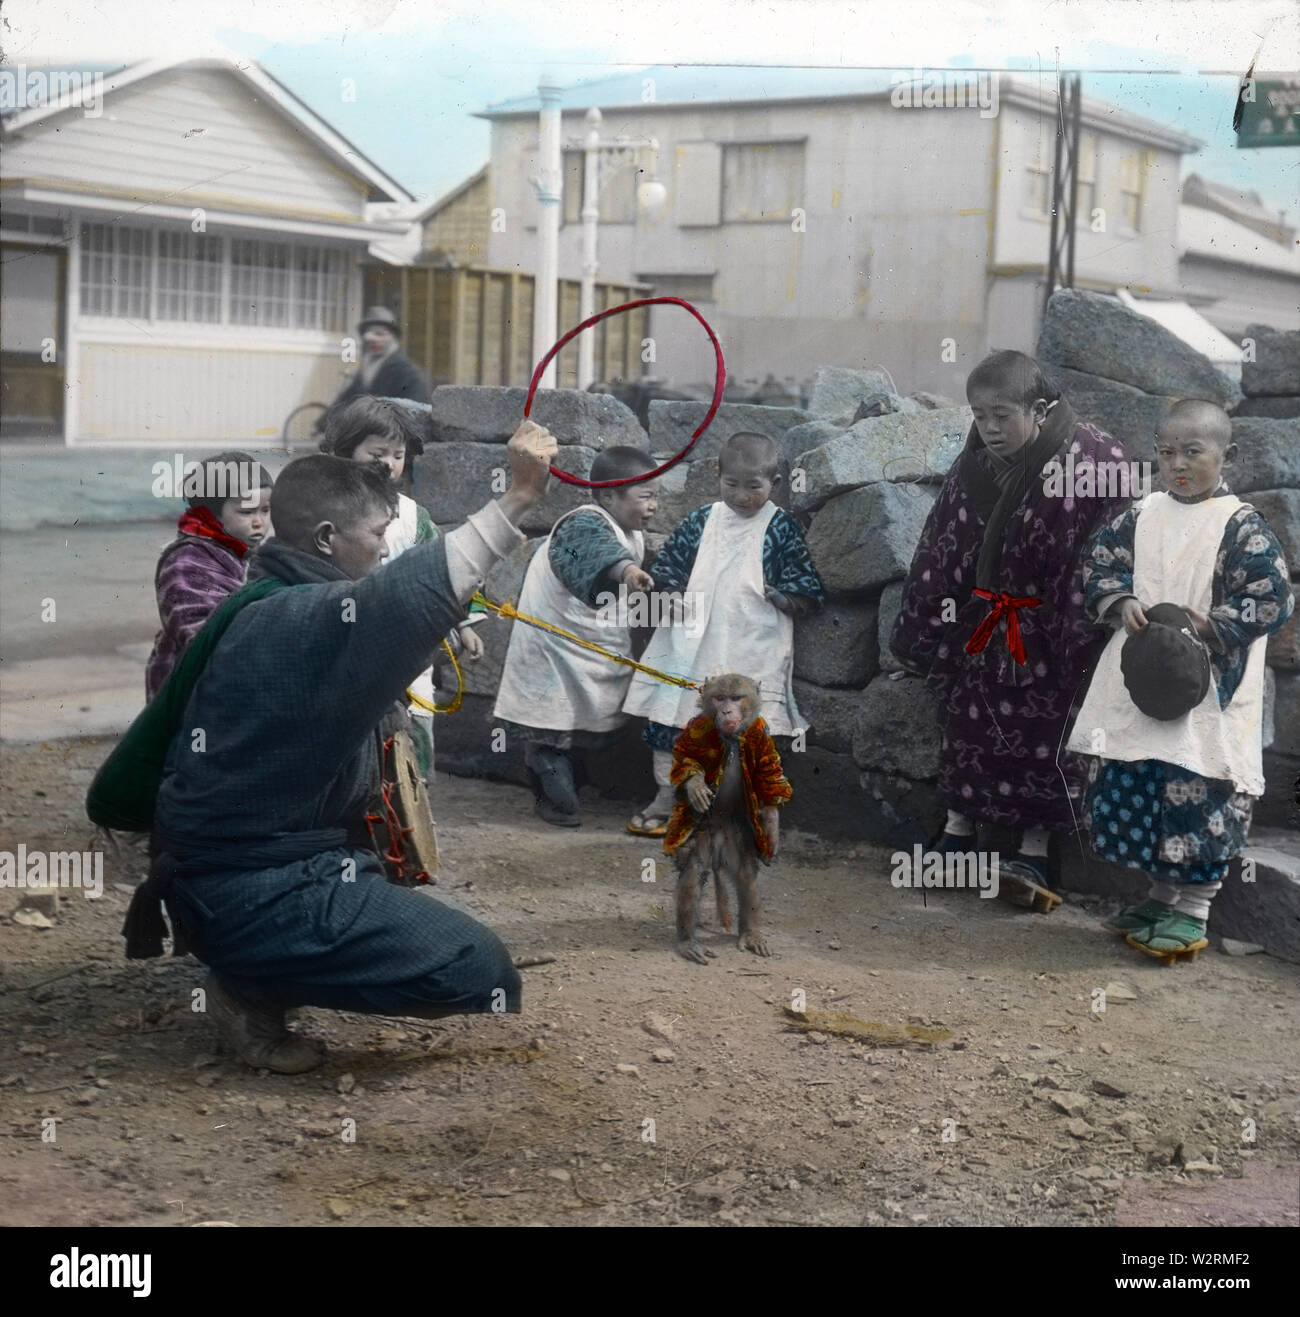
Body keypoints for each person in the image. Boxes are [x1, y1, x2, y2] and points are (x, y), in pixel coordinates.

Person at [142, 421, 558, 1073]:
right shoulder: (302, 615)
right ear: (328, 539)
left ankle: (268, 959)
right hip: (247, 886)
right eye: (376, 535)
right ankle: (251, 985)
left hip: (255, 863)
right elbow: (418, 587)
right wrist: (520, 495)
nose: (385, 548)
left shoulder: (275, 596)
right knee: (479, 969)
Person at [889, 350, 1135, 908]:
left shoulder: (1098, 459)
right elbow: (942, 544)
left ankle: (1034, 852)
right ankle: (957, 837)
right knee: (967, 729)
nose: (991, 429)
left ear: (1041, 409)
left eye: (1003, 415)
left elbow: (1112, 551)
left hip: (1055, 629)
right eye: (979, 416)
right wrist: (924, 628)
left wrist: (1076, 635)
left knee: (1049, 738)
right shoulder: (975, 462)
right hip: (983, 625)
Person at [1067, 399, 1294, 958]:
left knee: (1199, 792)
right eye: (1167, 453)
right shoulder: (1140, 515)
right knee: (1147, 782)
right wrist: (1120, 602)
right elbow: (1096, 565)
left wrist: (1213, 623)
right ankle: (1160, 895)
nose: (1178, 465)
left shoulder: (1241, 527)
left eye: (1193, 452)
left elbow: (1271, 596)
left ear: (1229, 457)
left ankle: (1194, 909)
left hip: (1210, 686)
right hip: (1143, 675)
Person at [622, 432, 824, 836]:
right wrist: (668, 594)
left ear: (775, 485)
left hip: (750, 638)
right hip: (692, 636)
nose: (742, 496)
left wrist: (786, 598)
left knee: (741, 727)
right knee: (675, 716)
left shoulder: (780, 527)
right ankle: (669, 794)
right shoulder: (703, 519)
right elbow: (670, 566)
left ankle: (736, 805)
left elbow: (807, 583)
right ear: (718, 476)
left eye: (755, 487)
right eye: (732, 484)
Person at [493, 446, 659, 827]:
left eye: (656, 496)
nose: (653, 506)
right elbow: (592, 553)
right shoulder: (582, 523)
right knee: (551, 716)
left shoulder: (630, 531)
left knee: (584, 717)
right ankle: (546, 773)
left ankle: (569, 773)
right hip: (555, 644)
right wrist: (626, 572)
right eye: (645, 497)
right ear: (607, 496)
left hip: (590, 641)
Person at [320, 395, 484, 775]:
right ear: (346, 451)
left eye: (398, 455)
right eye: (377, 452)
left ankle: (414, 807)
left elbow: (444, 568)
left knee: (417, 722)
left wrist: (466, 621)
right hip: (346, 638)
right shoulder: (324, 507)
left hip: (408, 646)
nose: (389, 464)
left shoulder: (413, 515)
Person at [145, 451, 272, 700]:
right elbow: (200, 634)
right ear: (211, 514)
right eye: (246, 513)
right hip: (189, 694)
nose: (259, 522)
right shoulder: (186, 562)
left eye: (265, 510)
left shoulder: (244, 554)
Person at [327, 306, 430, 415]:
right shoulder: (367, 367)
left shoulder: (405, 371)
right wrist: (322, 425)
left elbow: (416, 408)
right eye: (370, 339)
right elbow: (345, 400)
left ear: (392, 337)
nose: (375, 342)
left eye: (380, 334)